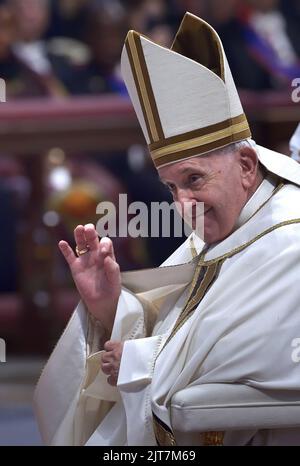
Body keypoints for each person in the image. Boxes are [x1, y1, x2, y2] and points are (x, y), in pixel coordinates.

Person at [34, 12, 300, 446]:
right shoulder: (230, 220)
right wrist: (109, 307)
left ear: (247, 166)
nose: (183, 205)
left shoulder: (290, 235)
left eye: (194, 179)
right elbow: (187, 324)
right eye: (171, 187)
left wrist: (142, 361)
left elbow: (271, 354)